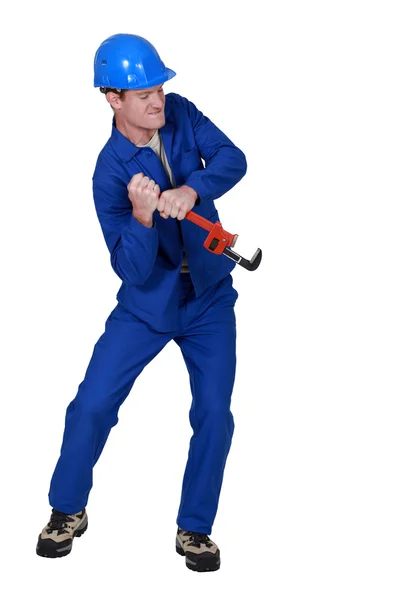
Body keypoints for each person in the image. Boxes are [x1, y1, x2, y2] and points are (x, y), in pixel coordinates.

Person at [36, 33, 247, 572]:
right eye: (143, 94)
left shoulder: (181, 113)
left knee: (214, 415)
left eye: (159, 88)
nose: (158, 101)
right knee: (91, 404)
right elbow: (128, 268)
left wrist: (192, 189)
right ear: (113, 99)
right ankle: (67, 510)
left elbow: (232, 157)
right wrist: (143, 216)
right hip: (146, 305)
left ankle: (195, 528)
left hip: (209, 299)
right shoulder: (109, 172)